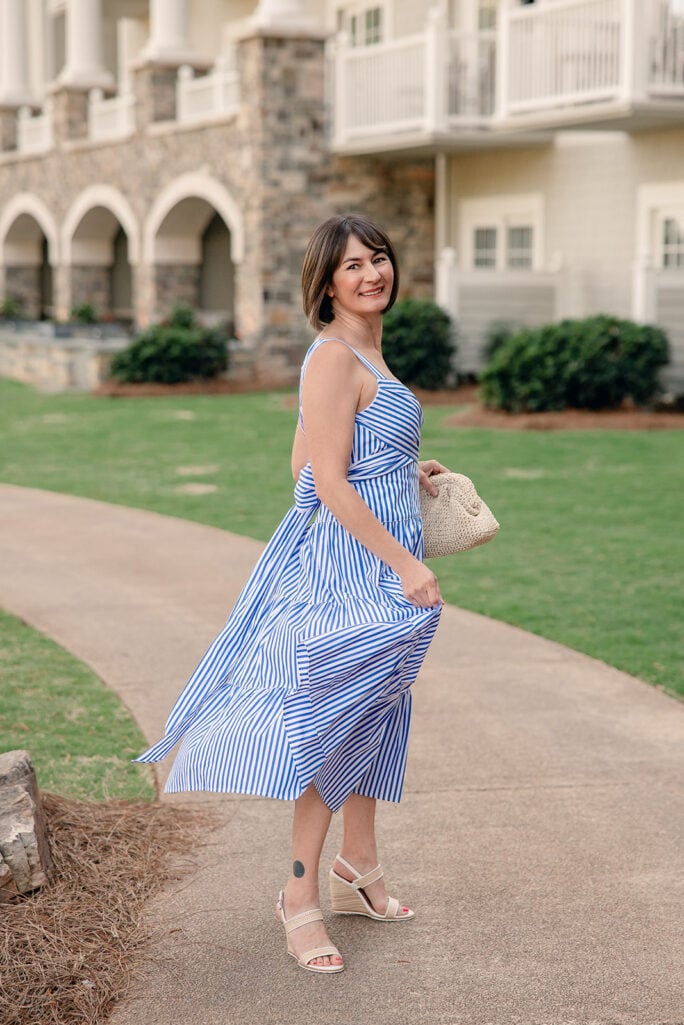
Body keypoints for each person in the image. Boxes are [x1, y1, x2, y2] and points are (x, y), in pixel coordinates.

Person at [137, 213, 447, 974]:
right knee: (332, 720)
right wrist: (404, 562)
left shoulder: (367, 349)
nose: (372, 273)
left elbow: (310, 457)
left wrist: (407, 472)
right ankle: (298, 895)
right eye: (352, 266)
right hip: (351, 569)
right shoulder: (333, 356)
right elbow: (324, 482)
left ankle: (359, 868)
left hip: (372, 559)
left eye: (378, 258)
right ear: (327, 283)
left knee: (379, 706)